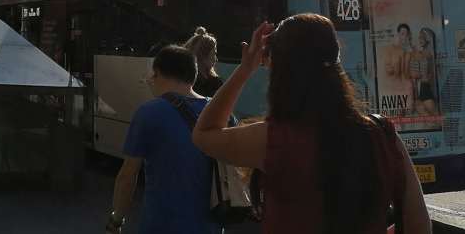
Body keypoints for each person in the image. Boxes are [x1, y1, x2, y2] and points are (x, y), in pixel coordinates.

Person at [192, 16, 431, 234]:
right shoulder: (382, 134)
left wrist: (245, 70)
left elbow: (204, 133)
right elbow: (419, 225)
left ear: (280, 70)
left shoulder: (273, 139)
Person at [107, 45, 220, 234]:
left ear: (157, 73)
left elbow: (127, 176)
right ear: (192, 76)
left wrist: (116, 220)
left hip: (161, 225)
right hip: (211, 227)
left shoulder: (149, 112)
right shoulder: (221, 113)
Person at [184, 27, 223, 98]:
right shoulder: (213, 84)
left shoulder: (181, 79)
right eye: (214, 54)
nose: (216, 59)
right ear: (203, 56)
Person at [409, 28, 438, 117]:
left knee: (433, 117)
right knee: (429, 117)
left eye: (423, 37)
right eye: (419, 38)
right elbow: (414, 75)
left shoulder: (429, 54)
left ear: (428, 39)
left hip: (426, 87)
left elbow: (430, 73)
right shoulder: (419, 54)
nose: (420, 40)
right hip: (420, 88)